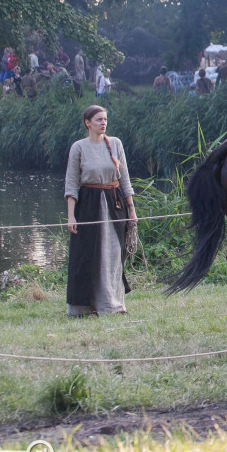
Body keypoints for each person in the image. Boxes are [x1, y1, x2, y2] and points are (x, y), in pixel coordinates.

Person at [64, 105, 136, 316]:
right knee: (87, 254)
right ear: (88, 123)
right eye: (98, 120)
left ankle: (112, 304)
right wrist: (71, 216)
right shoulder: (78, 147)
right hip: (88, 204)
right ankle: (83, 307)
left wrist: (131, 210)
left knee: (114, 253)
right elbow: (71, 184)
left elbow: (125, 179)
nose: (103, 123)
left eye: (105, 119)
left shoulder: (115, 144)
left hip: (114, 204)